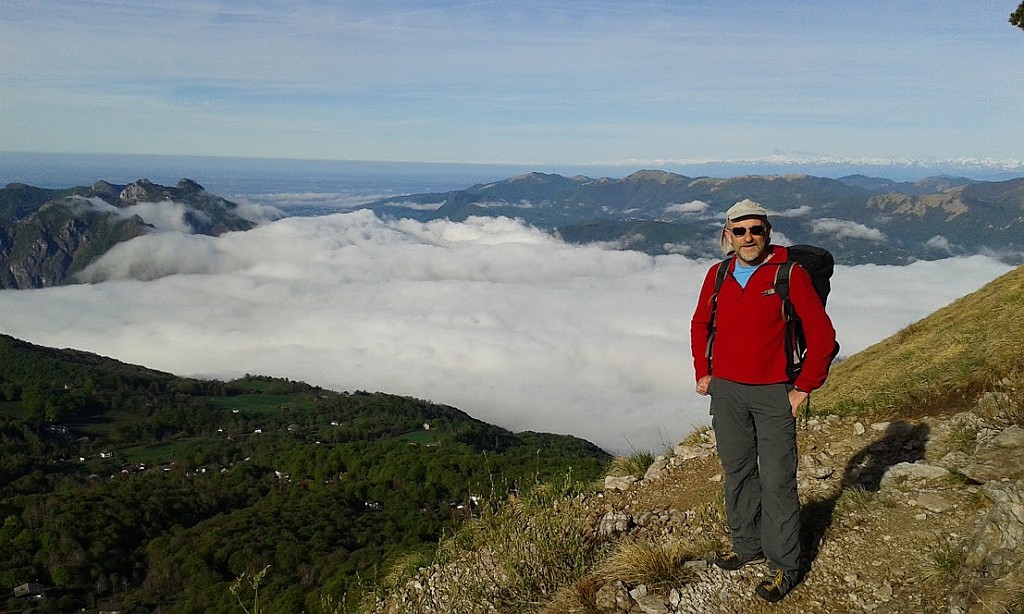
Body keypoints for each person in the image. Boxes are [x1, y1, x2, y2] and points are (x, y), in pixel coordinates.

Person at [689, 199, 837, 603]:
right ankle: (747, 545)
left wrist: (804, 387)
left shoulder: (789, 274)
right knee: (737, 471)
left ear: (767, 232)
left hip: (774, 391)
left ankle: (784, 566)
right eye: (740, 230)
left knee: (777, 480)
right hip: (727, 390)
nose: (748, 237)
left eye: (756, 229)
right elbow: (701, 322)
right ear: (728, 234)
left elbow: (823, 336)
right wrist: (703, 371)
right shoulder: (718, 275)